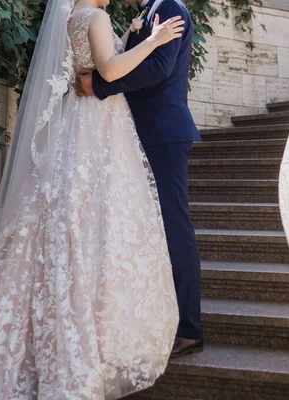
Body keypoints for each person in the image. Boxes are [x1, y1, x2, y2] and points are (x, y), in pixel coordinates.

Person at [0, 0, 184, 398]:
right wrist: (155, 40)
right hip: (96, 127)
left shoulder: (70, 17)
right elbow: (109, 70)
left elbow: (93, 61)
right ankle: (84, 337)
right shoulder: (95, 17)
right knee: (88, 225)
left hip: (75, 124)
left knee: (64, 218)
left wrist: (127, 37)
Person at [74, 0, 204, 358]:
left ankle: (190, 328)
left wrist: (100, 84)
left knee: (175, 227)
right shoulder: (147, 15)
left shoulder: (171, 8)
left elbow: (159, 69)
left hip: (164, 133)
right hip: (142, 135)